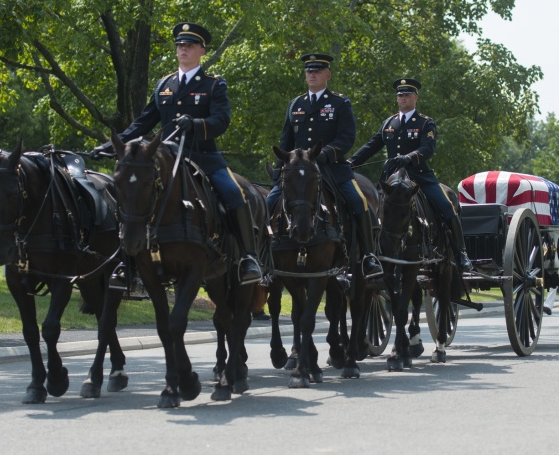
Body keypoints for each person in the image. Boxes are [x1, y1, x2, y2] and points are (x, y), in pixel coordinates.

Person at [93, 22, 262, 285]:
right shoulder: (165, 84)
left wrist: (195, 124)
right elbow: (143, 123)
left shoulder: (213, 84)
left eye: (189, 45)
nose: (183, 49)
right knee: (131, 196)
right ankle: (125, 264)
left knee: (234, 193)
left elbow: (221, 120)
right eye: (180, 46)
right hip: (168, 158)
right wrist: (110, 145)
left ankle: (248, 258)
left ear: (202, 51)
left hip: (204, 158)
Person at [267, 53, 384, 279]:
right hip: (298, 171)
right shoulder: (295, 104)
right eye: (309, 71)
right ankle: (264, 256)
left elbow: (347, 137)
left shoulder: (339, 103)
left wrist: (327, 154)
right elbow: (286, 142)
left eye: (317, 70)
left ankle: (369, 256)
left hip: (332, 168)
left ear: (327, 75)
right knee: (269, 202)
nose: (312, 74)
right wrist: (280, 171)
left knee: (359, 202)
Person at [348, 78, 472, 273]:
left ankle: (462, 254)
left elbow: (428, 148)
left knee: (447, 207)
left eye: (407, 95)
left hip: (420, 177)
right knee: (368, 208)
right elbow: (371, 146)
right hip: (392, 179)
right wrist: (351, 162)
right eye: (400, 95)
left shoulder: (425, 123)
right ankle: (368, 255)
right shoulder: (389, 123)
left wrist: (409, 157)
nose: (403, 98)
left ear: (415, 97)